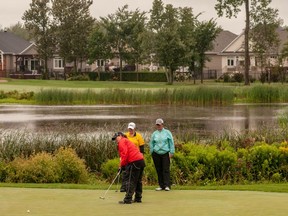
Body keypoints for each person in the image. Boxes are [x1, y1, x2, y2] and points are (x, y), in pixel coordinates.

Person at [112, 132, 146, 204]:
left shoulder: (122, 141)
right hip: (141, 161)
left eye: (116, 138)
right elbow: (126, 155)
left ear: (120, 136)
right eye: (115, 139)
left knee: (131, 180)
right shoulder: (126, 141)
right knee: (138, 181)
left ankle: (128, 199)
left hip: (134, 162)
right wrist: (123, 165)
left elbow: (124, 154)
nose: (116, 140)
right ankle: (138, 198)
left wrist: (121, 166)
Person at [149, 118, 175, 191]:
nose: (158, 126)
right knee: (158, 169)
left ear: (162, 124)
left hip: (165, 153)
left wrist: (172, 152)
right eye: (157, 125)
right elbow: (151, 143)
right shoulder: (154, 133)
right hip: (156, 153)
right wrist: (152, 152)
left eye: (159, 125)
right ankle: (161, 185)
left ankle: (167, 185)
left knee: (165, 169)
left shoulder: (167, 132)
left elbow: (171, 142)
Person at [119, 122, 145, 192]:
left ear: (134, 129)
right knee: (125, 173)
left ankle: (132, 191)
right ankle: (124, 187)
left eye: (132, 129)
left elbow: (142, 147)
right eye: (129, 128)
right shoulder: (125, 135)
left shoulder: (138, 136)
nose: (130, 130)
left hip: (135, 158)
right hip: (128, 157)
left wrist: (142, 156)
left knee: (133, 175)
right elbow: (123, 149)